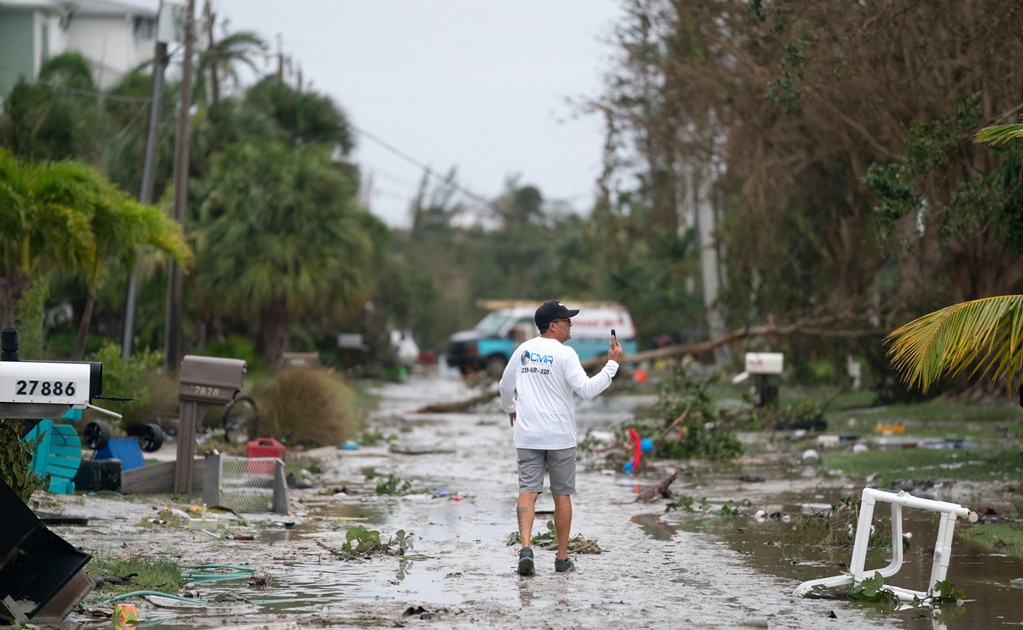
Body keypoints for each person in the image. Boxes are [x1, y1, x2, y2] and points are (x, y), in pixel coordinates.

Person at [499, 300, 623, 576]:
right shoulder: (565, 355)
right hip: (560, 437)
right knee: (561, 495)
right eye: (567, 321)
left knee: (527, 492)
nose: (571, 325)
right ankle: (561, 559)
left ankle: (526, 549)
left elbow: (505, 386)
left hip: (528, 435)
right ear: (553, 326)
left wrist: (511, 409)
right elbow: (588, 390)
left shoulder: (523, 350)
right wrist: (612, 365)